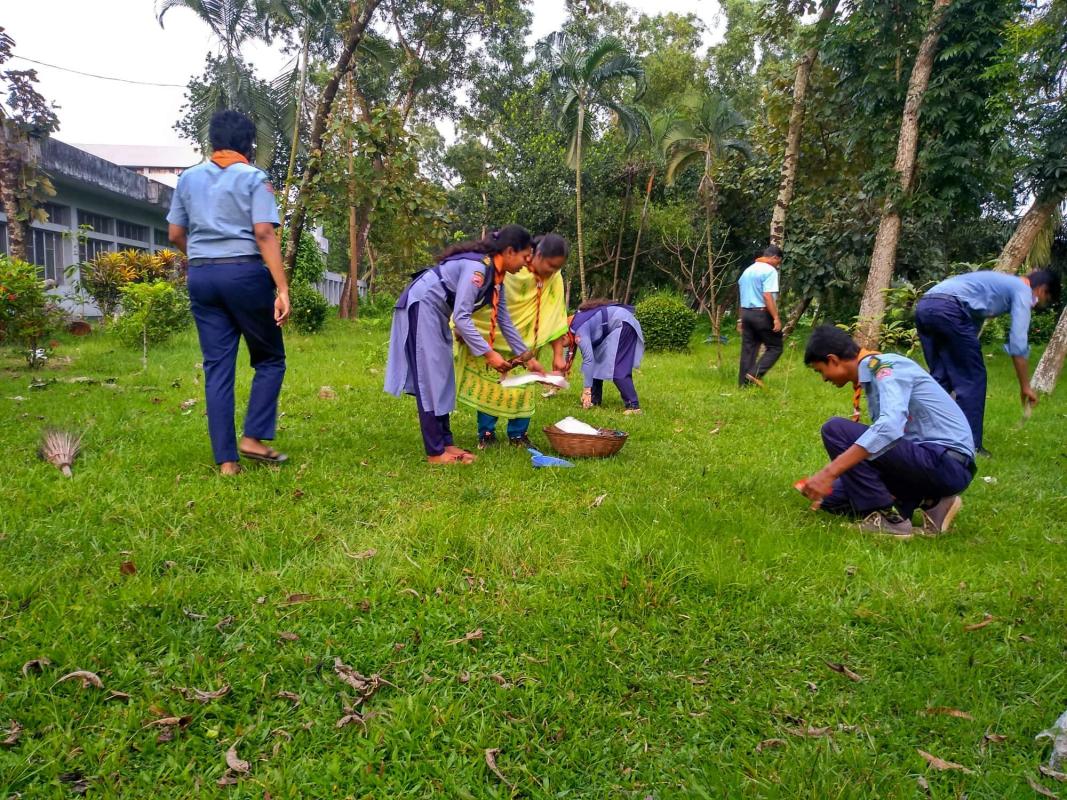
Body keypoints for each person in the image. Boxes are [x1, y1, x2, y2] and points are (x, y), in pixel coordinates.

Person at [167, 110, 290, 477]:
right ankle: (252, 438)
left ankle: (226, 462)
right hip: (244, 274)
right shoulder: (254, 178)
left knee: (217, 367)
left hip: (202, 276)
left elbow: (175, 234)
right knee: (269, 359)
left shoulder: (188, 179)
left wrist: (202, 257)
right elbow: (264, 233)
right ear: (248, 145)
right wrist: (282, 288)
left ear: (213, 141)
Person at [384, 225, 543, 464]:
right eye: (525, 256)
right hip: (422, 305)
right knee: (430, 378)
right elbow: (461, 317)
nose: (526, 263)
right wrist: (489, 354)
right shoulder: (478, 268)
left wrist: (528, 359)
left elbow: (504, 320)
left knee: (442, 375)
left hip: (437, 312)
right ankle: (435, 452)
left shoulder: (496, 278)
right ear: (510, 252)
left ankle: (446, 443)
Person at [799, 325, 976, 538]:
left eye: (820, 371)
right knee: (831, 498)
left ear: (833, 360)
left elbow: (890, 427)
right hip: (924, 462)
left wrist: (830, 472)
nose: (824, 378)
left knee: (835, 429)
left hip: (946, 461)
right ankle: (934, 501)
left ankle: (887, 519)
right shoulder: (872, 377)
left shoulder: (887, 367)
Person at [914, 269, 1060, 455]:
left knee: (940, 377)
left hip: (925, 306)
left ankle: (917, 434)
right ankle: (969, 446)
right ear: (1042, 290)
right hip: (949, 310)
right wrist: (1025, 386)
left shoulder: (999, 284)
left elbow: (972, 321)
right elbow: (1018, 343)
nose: (1039, 305)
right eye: (1045, 300)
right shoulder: (1023, 290)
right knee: (973, 379)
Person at [455, 233, 570, 449]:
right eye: (550, 265)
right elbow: (487, 299)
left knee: (523, 387)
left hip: (526, 342)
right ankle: (486, 432)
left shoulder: (553, 277)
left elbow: (555, 312)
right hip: (496, 335)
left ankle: (518, 434)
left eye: (557, 268)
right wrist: (466, 326)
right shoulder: (512, 266)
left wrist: (557, 355)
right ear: (537, 255)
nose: (553, 271)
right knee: (492, 384)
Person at [566, 299, 645, 414]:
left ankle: (633, 406)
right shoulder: (572, 325)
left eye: (559, 342)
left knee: (617, 367)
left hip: (623, 323)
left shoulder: (579, 330)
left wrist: (586, 391)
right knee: (597, 362)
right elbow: (569, 354)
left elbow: (588, 360)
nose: (560, 346)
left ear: (564, 335)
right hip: (612, 326)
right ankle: (594, 400)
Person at [736, 244, 784, 388]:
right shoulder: (770, 270)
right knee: (775, 346)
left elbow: (742, 296)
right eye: (778, 262)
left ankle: (744, 385)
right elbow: (767, 296)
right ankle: (755, 374)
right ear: (774, 257)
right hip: (761, 314)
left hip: (746, 313)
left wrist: (740, 319)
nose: (778, 266)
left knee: (749, 349)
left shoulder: (747, 271)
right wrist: (776, 318)